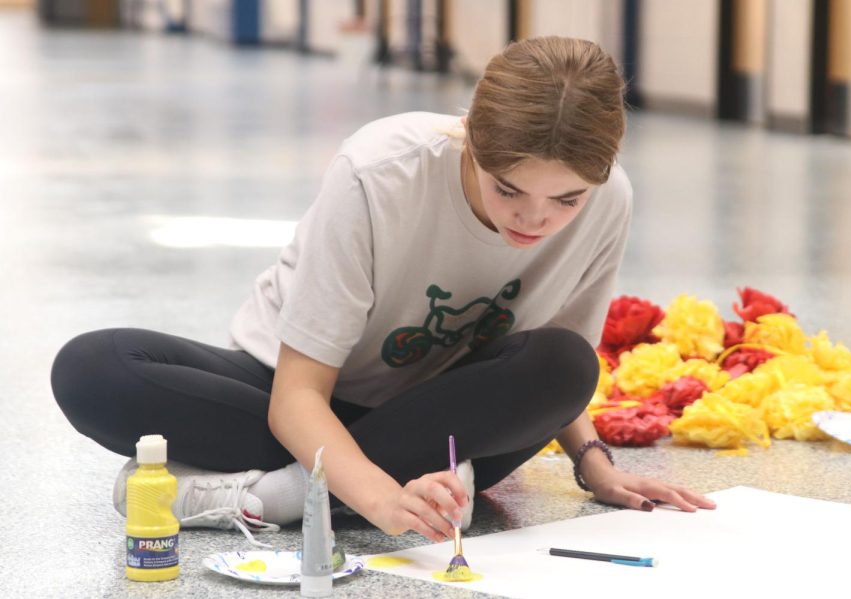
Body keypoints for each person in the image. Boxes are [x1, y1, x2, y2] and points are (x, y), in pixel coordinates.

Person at [51, 36, 715, 547]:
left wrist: (593, 464)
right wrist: (375, 495)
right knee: (93, 369)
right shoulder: (378, 172)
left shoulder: (608, 200)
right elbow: (297, 397)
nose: (533, 220)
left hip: (438, 408)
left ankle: (279, 492)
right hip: (291, 393)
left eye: (565, 199)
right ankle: (336, 486)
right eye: (507, 188)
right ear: (470, 141)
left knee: (567, 365)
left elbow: (552, 360)